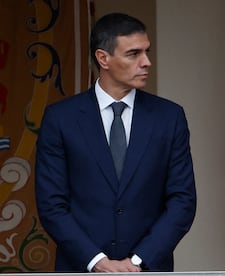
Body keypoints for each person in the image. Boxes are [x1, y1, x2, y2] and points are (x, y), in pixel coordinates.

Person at [35, 12, 196, 272]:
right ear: (103, 58)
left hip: (147, 269)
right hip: (80, 268)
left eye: (147, 52)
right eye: (133, 54)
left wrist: (137, 261)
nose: (146, 62)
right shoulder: (60, 118)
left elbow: (182, 200)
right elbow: (51, 204)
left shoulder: (170, 117)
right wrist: (97, 262)